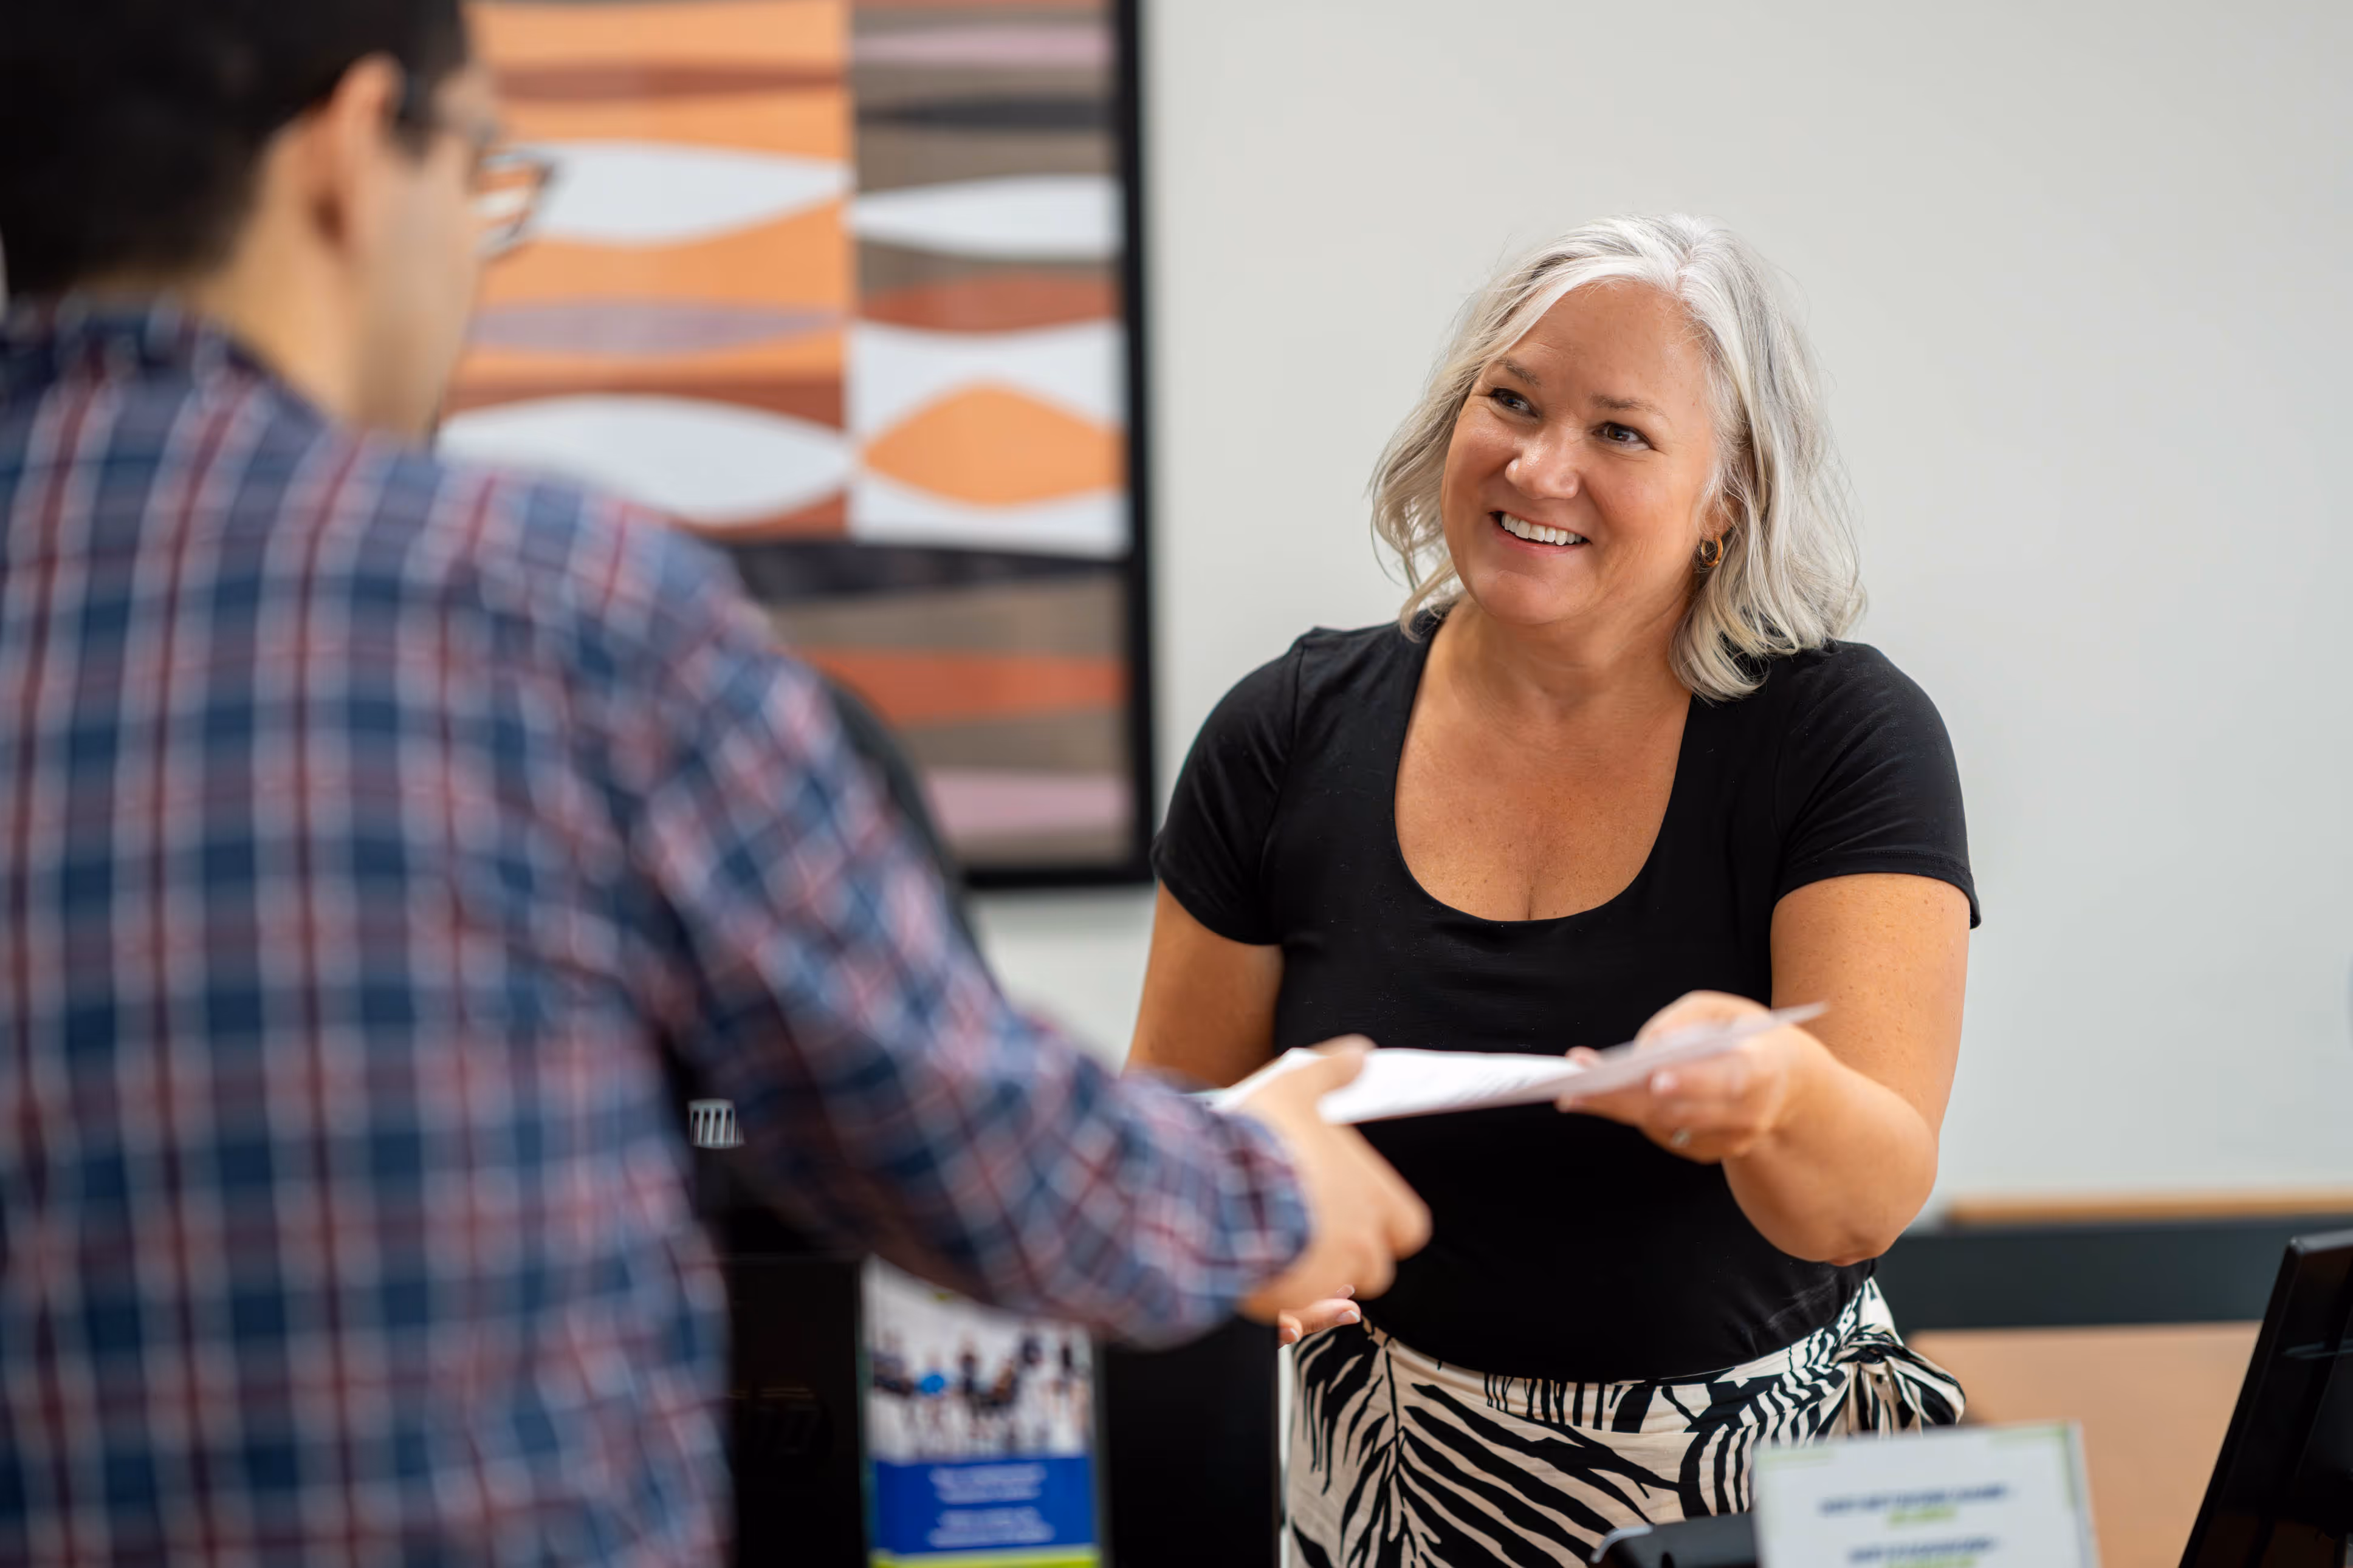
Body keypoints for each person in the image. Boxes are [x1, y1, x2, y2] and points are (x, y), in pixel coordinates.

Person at [0, 2, 1430, 1561]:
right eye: (481, 169)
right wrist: (1263, 1183)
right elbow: (957, 1145)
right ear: (351, 152)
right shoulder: (544, 605)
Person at [1131, 214, 1973, 1564]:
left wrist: (1773, 1093)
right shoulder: (1285, 729)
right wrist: (1246, 1212)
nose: (1538, 466)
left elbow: (1857, 1205)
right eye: (1510, 402)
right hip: (1391, 1491)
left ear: (1728, 499)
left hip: (1761, 1496)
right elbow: (1168, 1144)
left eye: (1621, 433)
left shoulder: (1841, 735)